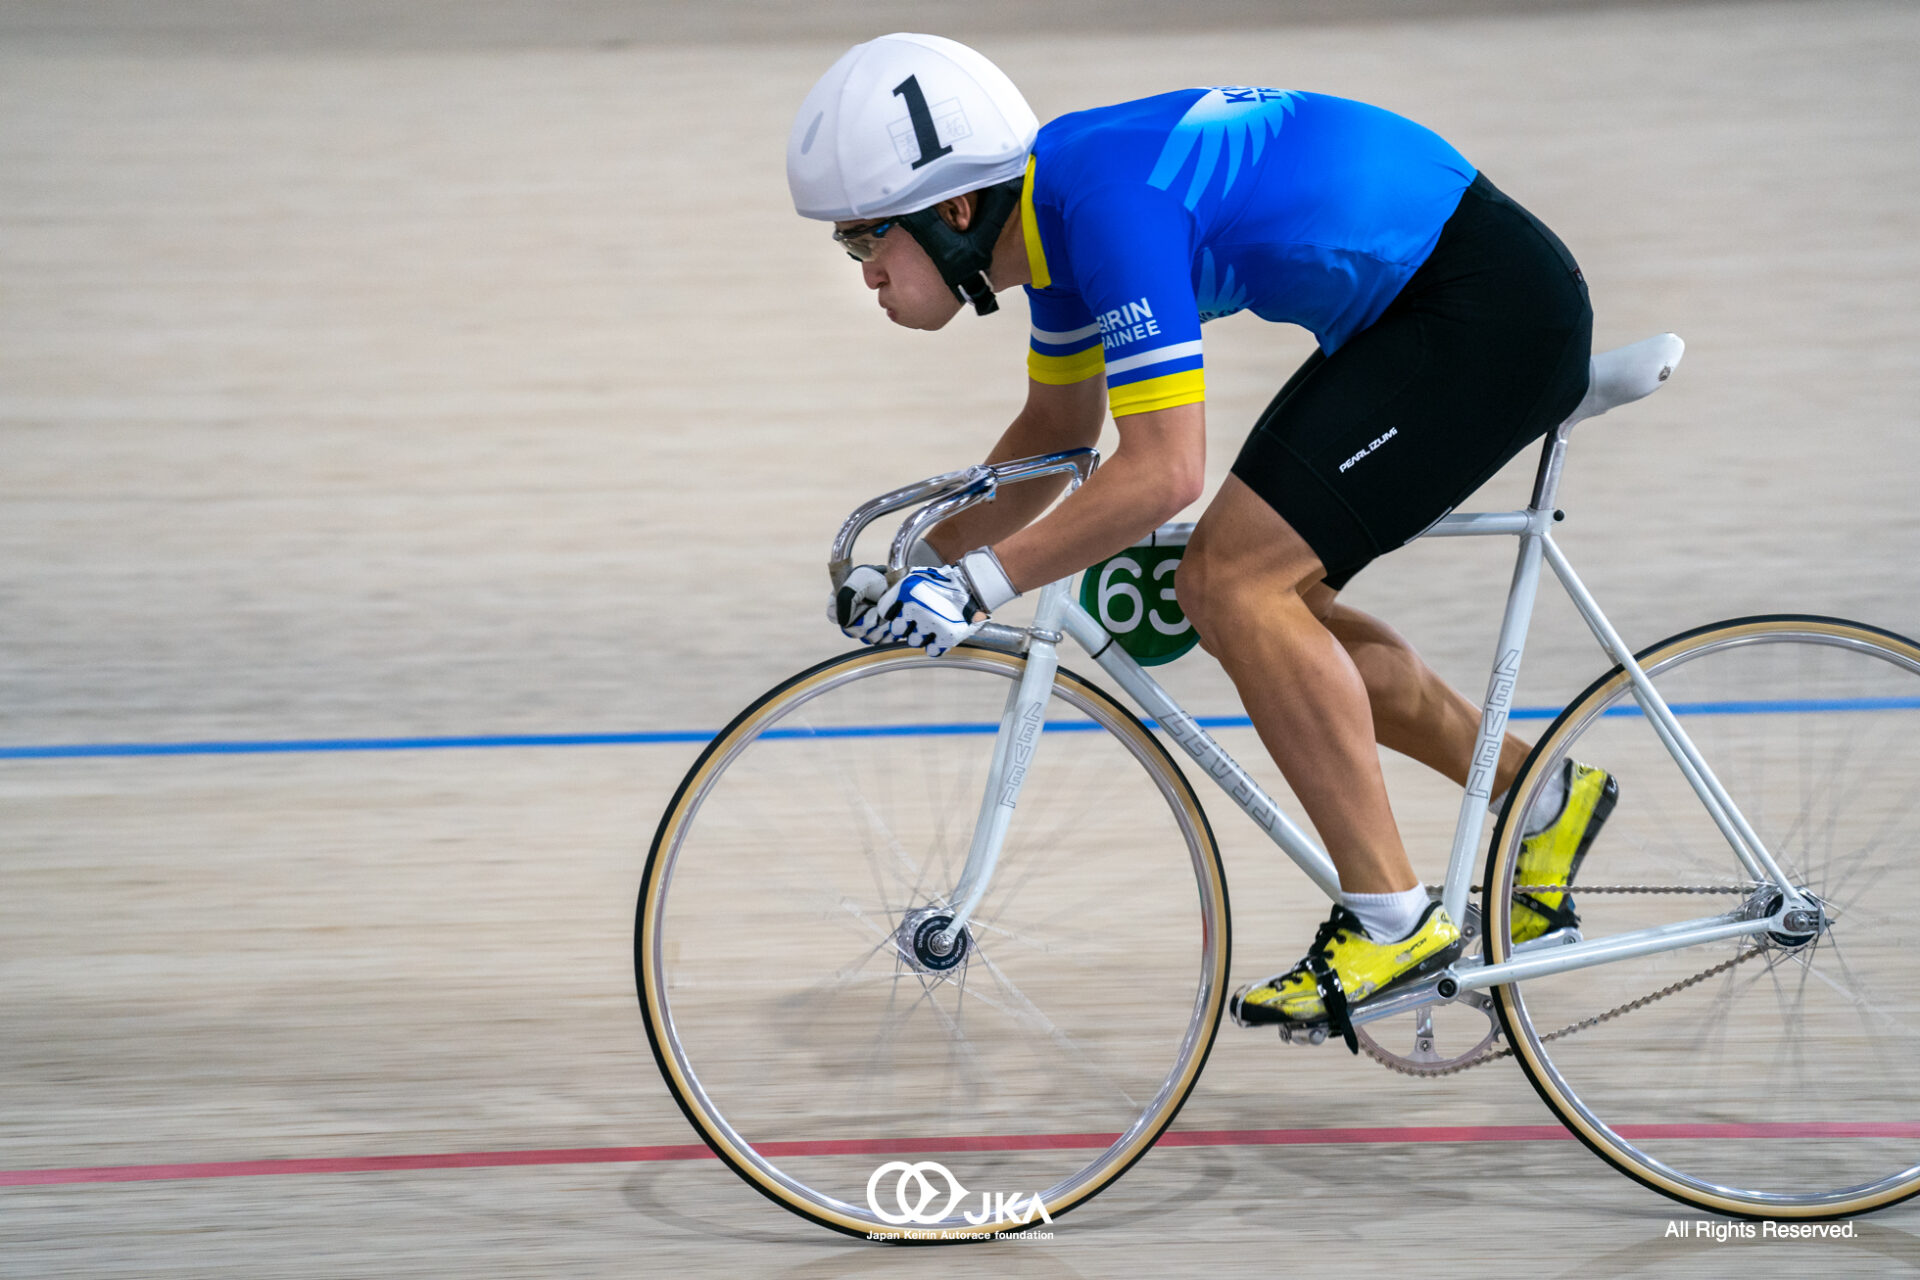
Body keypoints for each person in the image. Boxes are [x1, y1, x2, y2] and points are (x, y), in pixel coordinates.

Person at [786, 33, 1616, 1047]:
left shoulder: (1103, 209)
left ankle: (1394, 925)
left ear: (953, 212)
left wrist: (975, 585)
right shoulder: (1054, 223)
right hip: (1437, 301)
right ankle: (1544, 800)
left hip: (1485, 309)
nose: (865, 273)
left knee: (1228, 582)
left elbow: (1164, 472)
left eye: (864, 240)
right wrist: (918, 566)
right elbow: (1057, 437)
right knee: (1272, 609)